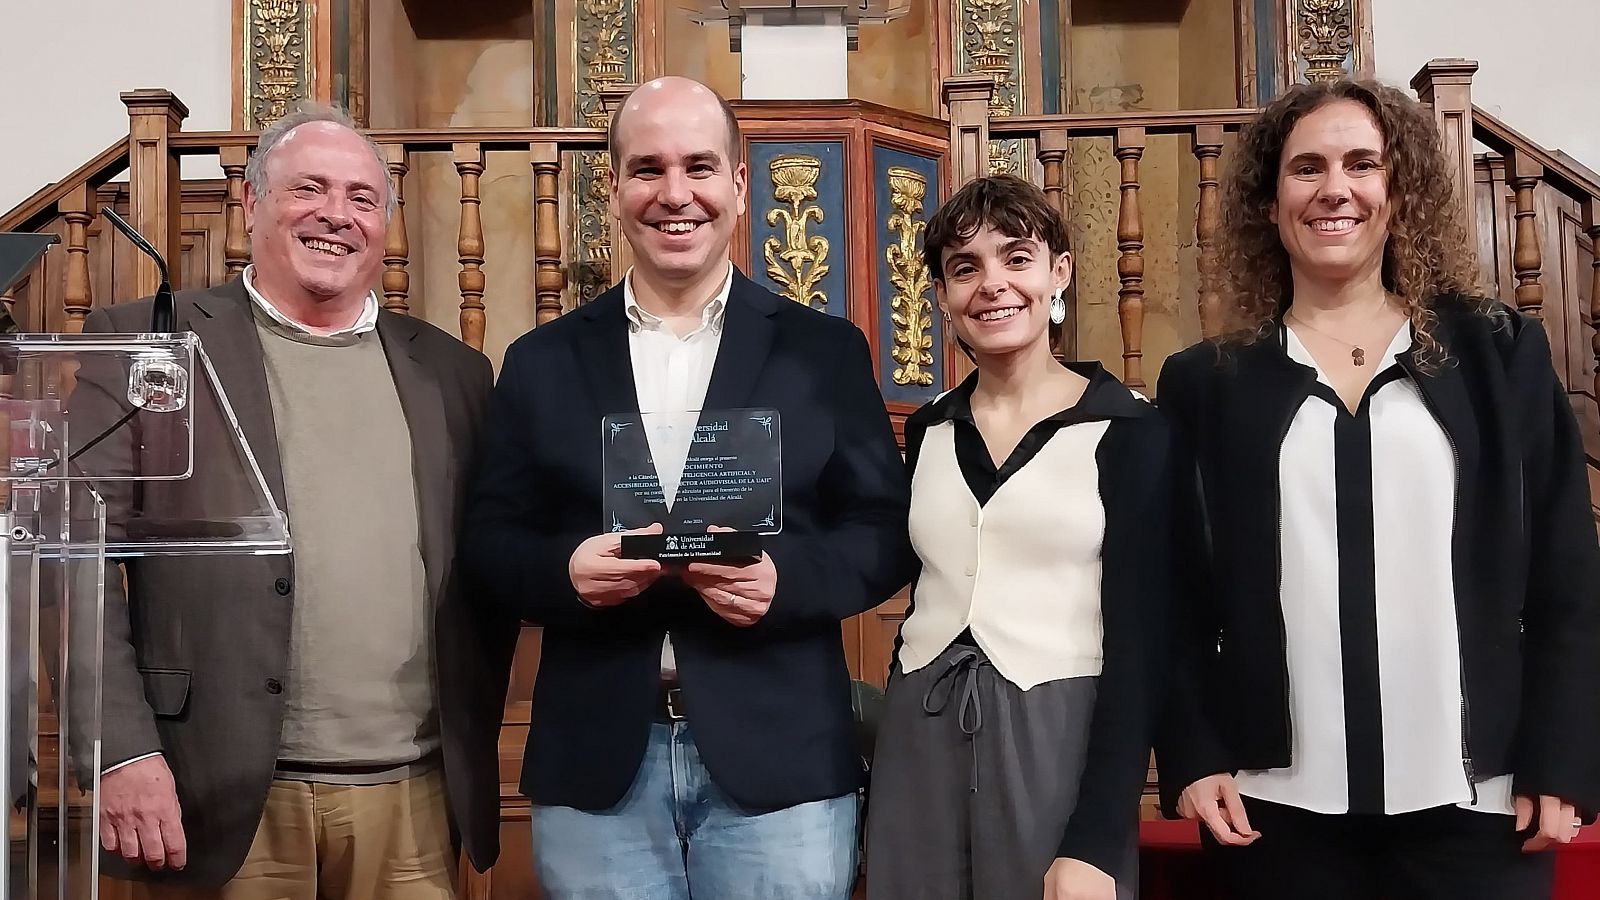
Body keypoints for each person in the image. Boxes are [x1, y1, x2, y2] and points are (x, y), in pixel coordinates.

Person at [460, 76, 913, 900]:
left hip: (779, 763)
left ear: (740, 185)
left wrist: (787, 583)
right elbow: (491, 542)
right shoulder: (542, 360)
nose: (676, 195)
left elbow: (883, 529)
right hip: (599, 761)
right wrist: (562, 574)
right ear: (614, 188)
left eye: (700, 167)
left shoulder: (824, 351)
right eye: (648, 169)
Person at [1155, 79, 1600, 899]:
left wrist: (1565, 754)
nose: (1336, 189)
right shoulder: (1208, 384)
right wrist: (1192, 751)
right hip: (1271, 809)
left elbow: (1569, 578)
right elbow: (1175, 599)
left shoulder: (1499, 357)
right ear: (1267, 200)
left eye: (1364, 164)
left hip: (1479, 801)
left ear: (1400, 190)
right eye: (1306, 168)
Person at [79, 103, 516, 899]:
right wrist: (117, 750)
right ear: (250, 204)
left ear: (383, 222)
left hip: (415, 800)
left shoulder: (455, 373)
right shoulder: (149, 346)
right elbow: (75, 568)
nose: (336, 216)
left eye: (360, 198)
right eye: (308, 189)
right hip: (216, 796)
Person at [862, 174, 1170, 900]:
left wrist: (1098, 835)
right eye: (965, 268)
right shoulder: (929, 426)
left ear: (1057, 273)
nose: (992, 284)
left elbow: (1142, 646)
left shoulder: (1128, 428)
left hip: (1057, 734)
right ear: (942, 295)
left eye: (1017, 258)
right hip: (921, 725)